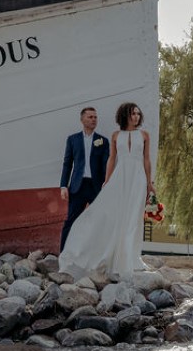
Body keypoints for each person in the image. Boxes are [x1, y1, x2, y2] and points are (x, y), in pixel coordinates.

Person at [59, 101, 154, 281]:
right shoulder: (115, 135)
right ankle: (97, 253)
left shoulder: (144, 135)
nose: (136, 117)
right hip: (119, 177)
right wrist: (107, 181)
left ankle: (130, 258)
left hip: (138, 178)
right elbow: (111, 160)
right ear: (125, 115)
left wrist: (150, 183)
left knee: (133, 216)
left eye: (138, 114)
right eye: (133, 113)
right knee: (116, 215)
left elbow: (147, 160)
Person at [59, 107, 110, 252]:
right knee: (71, 221)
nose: (94, 119)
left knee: (99, 221)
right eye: (90, 117)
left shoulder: (103, 141)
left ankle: (97, 254)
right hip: (77, 186)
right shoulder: (72, 139)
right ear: (82, 120)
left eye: (95, 117)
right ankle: (63, 254)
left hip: (96, 187)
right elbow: (67, 164)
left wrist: (106, 185)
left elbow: (106, 165)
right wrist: (63, 186)